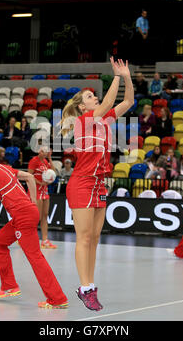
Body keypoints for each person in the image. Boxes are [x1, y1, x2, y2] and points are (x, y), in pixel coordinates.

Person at [61, 57, 134, 311]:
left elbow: (128, 102)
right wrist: (115, 76)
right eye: (91, 96)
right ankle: (85, 288)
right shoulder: (83, 122)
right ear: (83, 108)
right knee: (83, 238)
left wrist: (126, 76)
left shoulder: (104, 121)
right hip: (81, 183)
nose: (95, 99)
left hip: (99, 184)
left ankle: (90, 284)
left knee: (94, 238)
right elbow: (109, 102)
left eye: (94, 96)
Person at [0, 143, 68, 309]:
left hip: (22, 216)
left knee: (35, 257)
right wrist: (32, 201)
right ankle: (9, 286)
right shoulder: (3, 167)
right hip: (26, 212)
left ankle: (58, 299)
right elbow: (30, 177)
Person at [28, 147, 57, 249]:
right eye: (43, 151)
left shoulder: (45, 161)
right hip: (36, 191)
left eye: (46, 152)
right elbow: (28, 176)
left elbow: (54, 173)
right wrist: (40, 182)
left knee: (45, 215)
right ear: (39, 151)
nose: (45, 153)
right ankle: (27, 238)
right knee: (37, 217)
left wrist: (50, 159)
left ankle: (45, 240)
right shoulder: (34, 161)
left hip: (44, 190)